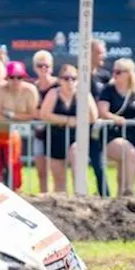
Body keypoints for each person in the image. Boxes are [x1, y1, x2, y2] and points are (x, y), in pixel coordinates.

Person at [38, 63, 97, 194]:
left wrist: (77, 121)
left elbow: (93, 116)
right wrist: (67, 120)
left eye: (73, 78)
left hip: (76, 137)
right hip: (55, 137)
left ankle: (80, 198)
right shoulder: (53, 93)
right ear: (59, 80)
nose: (69, 81)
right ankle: (61, 209)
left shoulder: (83, 94)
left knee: (77, 163)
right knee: (59, 180)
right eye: (66, 78)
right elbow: (44, 114)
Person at [97, 58, 135, 196]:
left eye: (119, 72)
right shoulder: (108, 90)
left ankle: (120, 197)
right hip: (113, 133)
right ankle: (128, 192)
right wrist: (117, 119)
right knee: (130, 154)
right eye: (114, 71)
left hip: (133, 134)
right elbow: (102, 111)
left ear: (129, 73)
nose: (115, 74)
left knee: (125, 165)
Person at [0, 61, 38, 191]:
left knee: (14, 167)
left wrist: (9, 114)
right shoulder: (0, 89)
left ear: (24, 78)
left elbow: (32, 114)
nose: (15, 81)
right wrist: (19, 116)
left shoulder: (30, 91)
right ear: (7, 78)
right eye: (12, 77)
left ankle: (16, 193)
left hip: (13, 135)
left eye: (19, 77)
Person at [29, 49, 57, 192]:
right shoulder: (32, 87)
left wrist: (44, 113)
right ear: (34, 68)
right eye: (40, 65)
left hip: (56, 133)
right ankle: (44, 197)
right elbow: (30, 110)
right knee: (41, 171)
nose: (44, 68)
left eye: (47, 65)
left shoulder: (58, 85)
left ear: (52, 67)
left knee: (57, 171)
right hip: (39, 133)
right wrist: (44, 114)